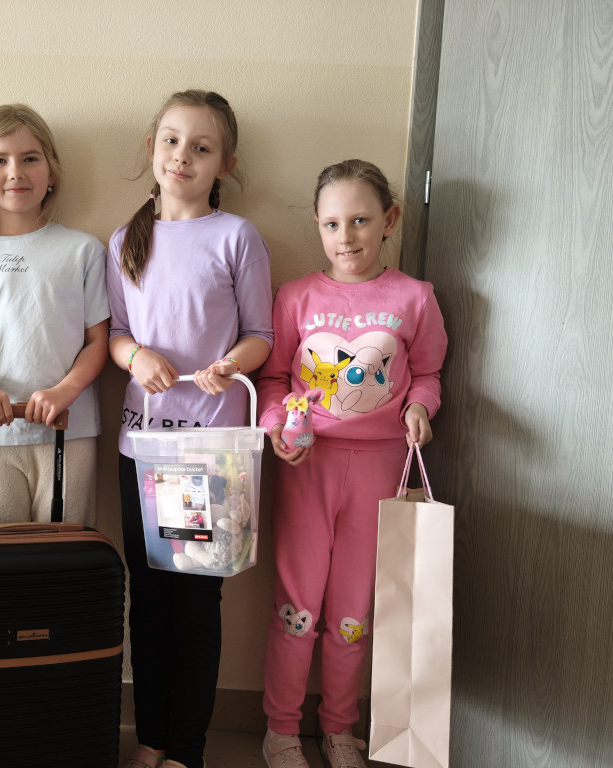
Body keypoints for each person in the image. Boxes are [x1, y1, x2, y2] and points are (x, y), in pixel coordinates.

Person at [256, 160, 448, 768]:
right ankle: (281, 729)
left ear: (389, 220)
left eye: (361, 220)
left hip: (382, 470)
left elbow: (429, 373)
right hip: (307, 465)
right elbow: (274, 378)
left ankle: (341, 727)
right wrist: (275, 426)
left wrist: (418, 408)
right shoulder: (296, 296)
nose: (346, 237)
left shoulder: (415, 298)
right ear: (318, 226)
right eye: (332, 224)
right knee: (297, 605)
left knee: (354, 610)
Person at [107, 89, 274, 768]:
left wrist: (231, 364)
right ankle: (150, 740)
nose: (182, 156)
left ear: (223, 165)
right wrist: (136, 357)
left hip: (207, 452)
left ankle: (186, 750)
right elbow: (118, 333)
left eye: (201, 148)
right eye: (172, 141)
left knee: (196, 603)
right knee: (147, 600)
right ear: (152, 147)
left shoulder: (237, 237)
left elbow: (261, 335)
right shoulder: (125, 240)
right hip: (141, 448)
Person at [0, 104, 109, 526]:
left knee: (66, 553)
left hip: (69, 430)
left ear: (51, 173)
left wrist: (65, 391)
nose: (15, 172)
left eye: (30, 159)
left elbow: (98, 341)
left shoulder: (83, 250)